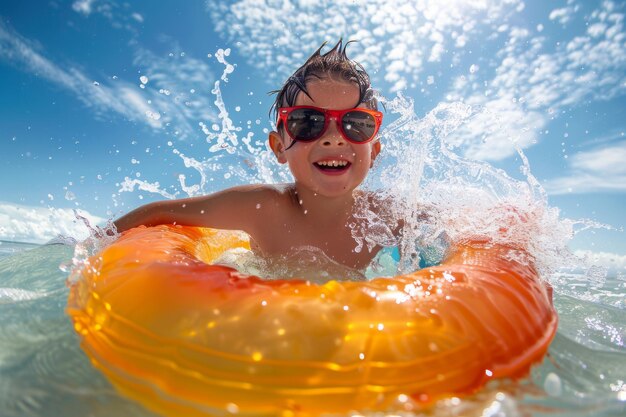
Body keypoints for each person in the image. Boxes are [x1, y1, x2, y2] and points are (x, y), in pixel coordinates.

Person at [114, 40, 398, 271]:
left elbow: (441, 224)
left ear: (373, 152)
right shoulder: (261, 208)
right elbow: (157, 212)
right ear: (278, 148)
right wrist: (93, 247)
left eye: (356, 124)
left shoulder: (383, 215)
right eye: (308, 122)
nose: (333, 137)